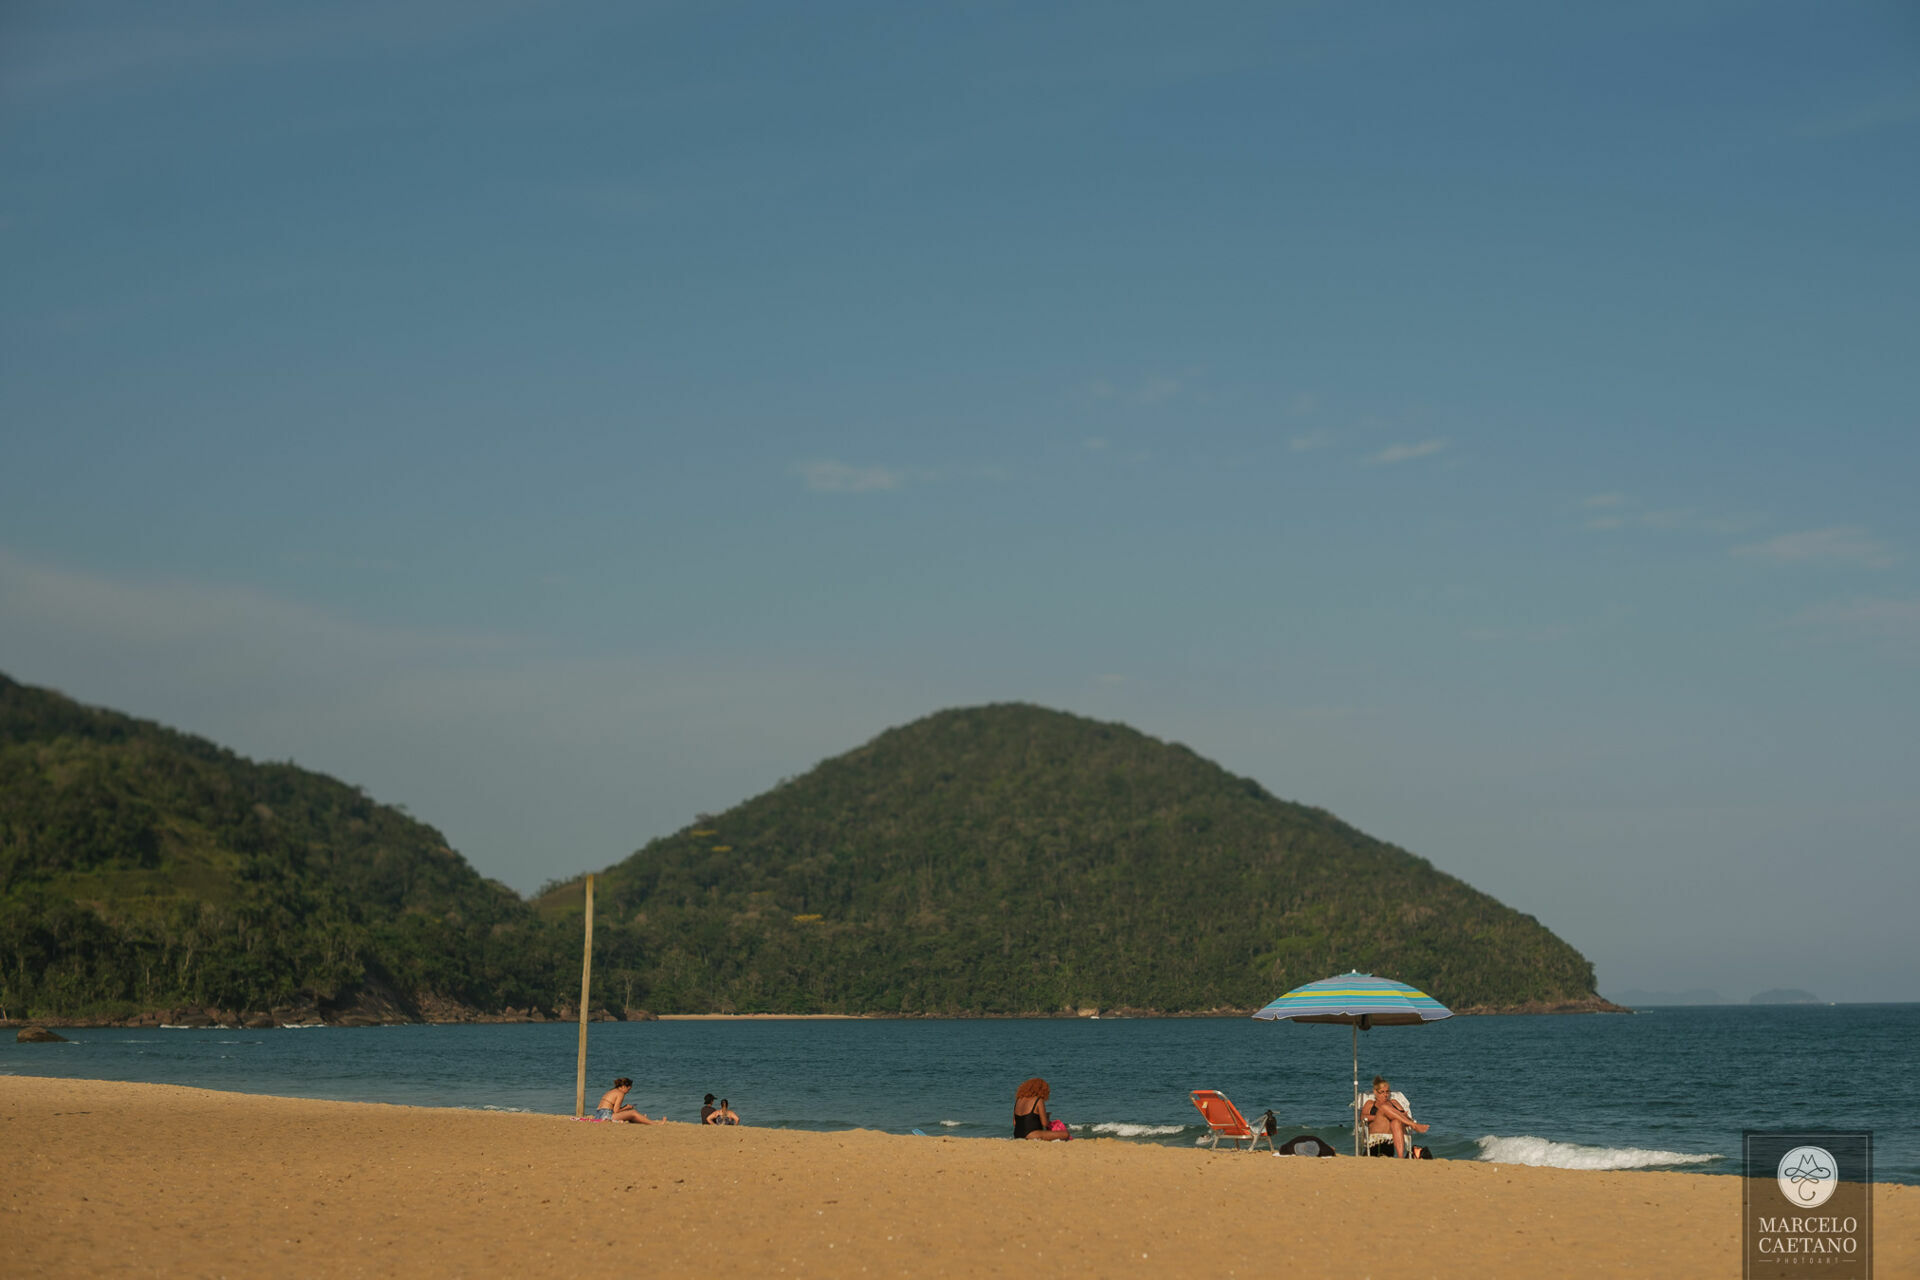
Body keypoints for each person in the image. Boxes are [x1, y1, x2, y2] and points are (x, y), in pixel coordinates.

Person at [1360, 1075, 1427, 1157]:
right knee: (1384, 1108)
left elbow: (1407, 1117)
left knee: (1396, 1122)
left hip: (1394, 1129)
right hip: (1378, 1128)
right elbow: (1362, 1117)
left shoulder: (1394, 1102)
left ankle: (1400, 1157)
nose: (1385, 1095)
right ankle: (1413, 1125)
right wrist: (1380, 1116)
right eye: (1382, 1092)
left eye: (1387, 1092)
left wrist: (1403, 1117)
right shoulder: (1370, 1103)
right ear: (1375, 1092)